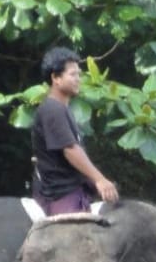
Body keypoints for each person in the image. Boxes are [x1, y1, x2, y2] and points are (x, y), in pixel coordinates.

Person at [31, 47, 119, 215]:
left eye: (79, 74)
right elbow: (70, 150)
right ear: (55, 78)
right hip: (59, 195)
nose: (78, 79)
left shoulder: (63, 109)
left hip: (73, 189)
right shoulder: (52, 109)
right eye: (73, 74)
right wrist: (99, 180)